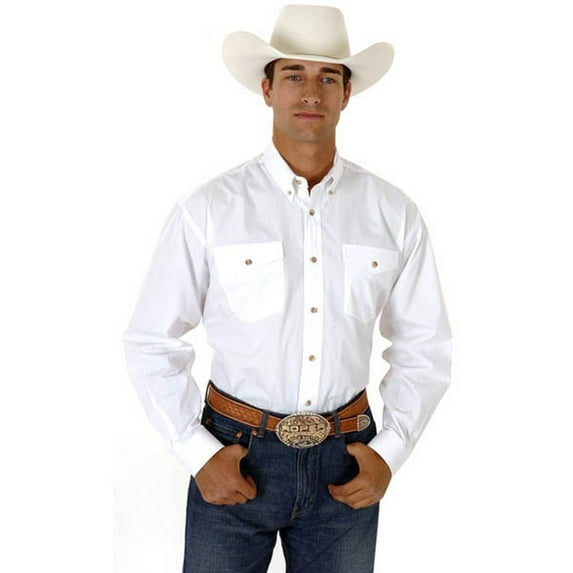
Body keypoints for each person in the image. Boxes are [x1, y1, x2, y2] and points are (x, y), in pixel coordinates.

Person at [122, 4, 452, 572]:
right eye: (294, 75)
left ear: (346, 94)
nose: (311, 92)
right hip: (234, 453)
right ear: (267, 89)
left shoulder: (393, 213)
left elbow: (425, 344)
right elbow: (151, 339)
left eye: (328, 77)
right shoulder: (210, 209)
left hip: (346, 459)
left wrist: (390, 452)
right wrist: (198, 453)